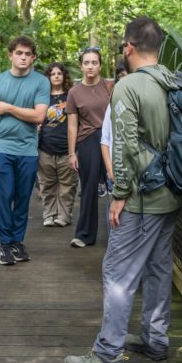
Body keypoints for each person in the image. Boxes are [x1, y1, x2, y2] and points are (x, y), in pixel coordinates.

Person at [65, 17, 182, 363]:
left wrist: (119, 194)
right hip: (173, 191)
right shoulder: (176, 80)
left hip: (141, 197)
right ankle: (155, 338)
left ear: (129, 48)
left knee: (117, 272)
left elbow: (122, 146)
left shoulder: (128, 87)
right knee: (157, 267)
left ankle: (107, 353)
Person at [0, 36, 50, 265]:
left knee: (22, 198)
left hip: (28, 149)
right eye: (19, 53)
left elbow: (39, 115)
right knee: (2, 196)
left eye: (28, 54)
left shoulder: (41, 82)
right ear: (10, 55)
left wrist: (8, 108)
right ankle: (5, 244)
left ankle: (18, 241)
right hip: (1, 148)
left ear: (33, 57)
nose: (23, 57)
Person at [66, 47, 112, 248]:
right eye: (86, 63)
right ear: (81, 66)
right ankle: (84, 234)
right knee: (89, 187)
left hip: (111, 138)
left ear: (100, 65)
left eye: (94, 62)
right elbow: (72, 125)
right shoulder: (74, 92)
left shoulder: (110, 86)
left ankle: (119, 236)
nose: (90, 66)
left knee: (117, 183)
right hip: (88, 140)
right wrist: (71, 153)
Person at [37, 62, 77, 227]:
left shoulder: (71, 96)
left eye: (59, 73)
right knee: (47, 184)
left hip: (66, 148)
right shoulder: (42, 97)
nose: (56, 76)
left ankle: (64, 215)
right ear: (48, 77)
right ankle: (49, 214)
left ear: (64, 76)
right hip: (45, 147)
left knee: (67, 185)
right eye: (52, 74)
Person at [100, 60, 129, 190]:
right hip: (116, 171)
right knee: (114, 210)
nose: (125, 78)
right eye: (121, 75)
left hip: (138, 173)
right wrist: (110, 171)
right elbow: (105, 139)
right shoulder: (113, 103)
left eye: (128, 74)